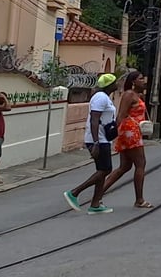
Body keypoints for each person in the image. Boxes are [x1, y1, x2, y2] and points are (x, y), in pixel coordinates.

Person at [64, 73, 119, 215]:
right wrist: (95, 142)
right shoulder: (100, 98)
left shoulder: (104, 98)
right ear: (109, 85)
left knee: (102, 170)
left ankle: (96, 203)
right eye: (115, 82)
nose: (117, 84)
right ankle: (75, 192)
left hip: (103, 138)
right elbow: (94, 120)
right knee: (105, 170)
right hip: (98, 139)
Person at [99, 71, 152, 208]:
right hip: (130, 132)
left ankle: (98, 194)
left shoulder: (137, 95)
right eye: (140, 79)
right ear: (133, 81)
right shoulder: (129, 95)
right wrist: (114, 133)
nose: (143, 81)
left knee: (125, 167)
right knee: (140, 164)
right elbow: (121, 115)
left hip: (133, 132)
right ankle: (139, 200)